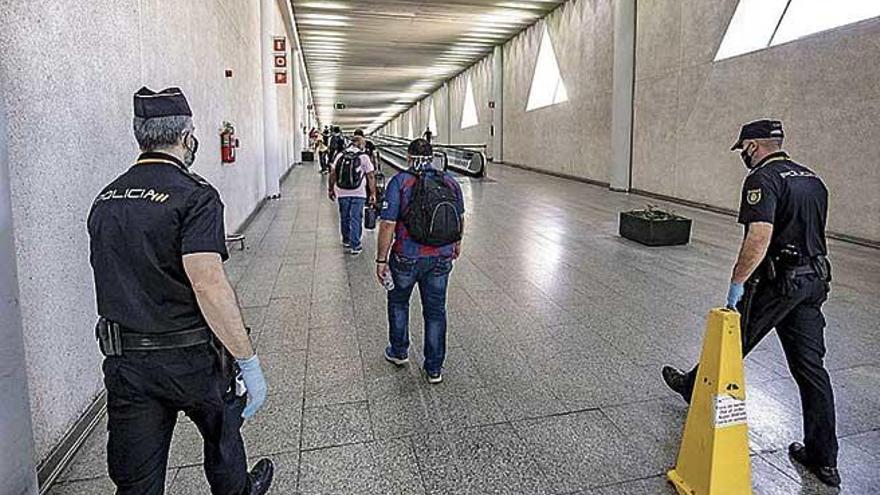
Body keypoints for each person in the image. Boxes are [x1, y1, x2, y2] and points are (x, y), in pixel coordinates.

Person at [87, 87, 274, 495]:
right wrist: (247, 359)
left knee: (137, 480)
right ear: (187, 137)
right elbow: (208, 282)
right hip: (190, 358)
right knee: (223, 439)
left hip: (126, 361)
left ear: (141, 136)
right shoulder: (195, 196)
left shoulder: (106, 198)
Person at [661, 119, 839, 487]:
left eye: (743, 148)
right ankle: (824, 459)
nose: (743, 155)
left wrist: (737, 282)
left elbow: (760, 235)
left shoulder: (762, 178)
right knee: (811, 368)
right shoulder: (812, 178)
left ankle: (692, 386)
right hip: (813, 280)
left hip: (778, 282)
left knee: (733, 339)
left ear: (754, 146)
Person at [376, 139, 464, 384]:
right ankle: (434, 368)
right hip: (441, 257)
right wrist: (456, 245)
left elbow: (387, 224)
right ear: (433, 156)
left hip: (407, 256)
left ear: (408, 156)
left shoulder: (400, 182)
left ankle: (399, 351)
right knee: (436, 310)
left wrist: (381, 260)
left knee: (399, 303)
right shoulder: (449, 181)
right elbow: (459, 217)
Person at [328, 135, 377, 255]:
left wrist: (331, 189)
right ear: (360, 144)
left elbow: (333, 173)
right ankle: (355, 245)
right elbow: (370, 176)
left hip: (342, 191)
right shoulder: (364, 157)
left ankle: (346, 240)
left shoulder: (340, 155)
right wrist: (373, 193)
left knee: (344, 216)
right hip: (359, 193)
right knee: (356, 218)